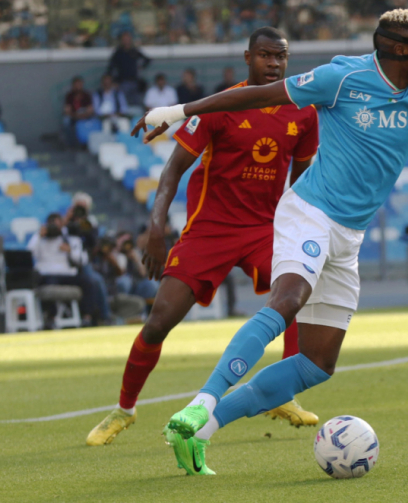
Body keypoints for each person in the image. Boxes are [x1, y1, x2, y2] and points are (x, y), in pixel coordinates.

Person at [132, 8, 408, 475]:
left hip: (349, 235)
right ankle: (203, 401)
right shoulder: (341, 78)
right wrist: (179, 112)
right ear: (398, 51)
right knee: (288, 299)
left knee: (316, 364)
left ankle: (201, 431)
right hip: (309, 212)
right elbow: (257, 95)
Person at [86, 26, 320, 448]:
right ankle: (124, 409)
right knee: (159, 321)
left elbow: (301, 182)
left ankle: (283, 394)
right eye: (265, 55)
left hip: (264, 229)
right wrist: (155, 229)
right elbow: (173, 170)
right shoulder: (220, 106)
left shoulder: (303, 112)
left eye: (280, 56)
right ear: (247, 58)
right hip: (210, 230)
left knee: (297, 296)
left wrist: (302, 232)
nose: (273, 63)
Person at [28, 213, 89, 328]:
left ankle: (86, 317)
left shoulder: (70, 239)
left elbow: (83, 260)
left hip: (67, 274)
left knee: (88, 281)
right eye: (52, 225)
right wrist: (38, 235)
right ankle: (50, 318)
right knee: (49, 284)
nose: (55, 228)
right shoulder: (40, 240)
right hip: (48, 275)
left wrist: (70, 250)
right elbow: (29, 253)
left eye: (58, 225)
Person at [107, 31, 151, 106]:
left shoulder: (134, 51)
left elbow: (147, 60)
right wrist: (113, 81)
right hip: (123, 82)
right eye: (124, 39)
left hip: (134, 82)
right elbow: (111, 67)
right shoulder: (118, 53)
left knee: (136, 103)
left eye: (128, 39)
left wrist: (141, 67)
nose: (126, 41)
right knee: (124, 104)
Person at [63, 76, 95, 147]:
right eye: (76, 85)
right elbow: (67, 111)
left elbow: (90, 110)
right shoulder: (69, 96)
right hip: (74, 116)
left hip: (85, 116)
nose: (78, 87)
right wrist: (76, 116)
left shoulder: (87, 95)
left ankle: (89, 143)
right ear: (73, 86)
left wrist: (84, 115)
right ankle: (72, 145)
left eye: (79, 84)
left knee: (95, 120)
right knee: (66, 121)